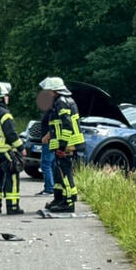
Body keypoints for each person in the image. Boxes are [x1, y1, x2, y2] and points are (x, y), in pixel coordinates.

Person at [39, 76, 84, 212]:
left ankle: (68, 203)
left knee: (65, 173)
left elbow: (67, 125)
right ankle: (59, 199)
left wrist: (62, 146)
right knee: (58, 173)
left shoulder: (62, 102)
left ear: (54, 91)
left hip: (67, 144)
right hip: (61, 143)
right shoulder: (59, 101)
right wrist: (49, 135)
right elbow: (57, 125)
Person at [0, 82, 26, 221]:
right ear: (1, 98)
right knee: (12, 179)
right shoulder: (5, 114)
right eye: (6, 95)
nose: (8, 98)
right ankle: (13, 207)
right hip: (6, 153)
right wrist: (21, 148)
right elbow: (11, 134)